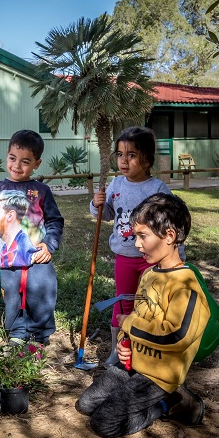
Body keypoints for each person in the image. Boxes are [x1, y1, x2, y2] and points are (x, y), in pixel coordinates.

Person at [76, 192, 210, 437]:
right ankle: (148, 399)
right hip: (135, 364)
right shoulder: (150, 275)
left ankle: (170, 401)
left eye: (142, 236)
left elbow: (176, 336)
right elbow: (143, 314)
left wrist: (130, 324)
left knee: (103, 423)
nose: (136, 244)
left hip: (159, 375)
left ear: (169, 236)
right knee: (85, 405)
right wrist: (127, 346)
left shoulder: (186, 286)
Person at [91, 126, 180, 366]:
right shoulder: (116, 185)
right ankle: (117, 349)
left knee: (150, 303)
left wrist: (177, 254)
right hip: (124, 257)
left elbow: (175, 218)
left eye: (131, 155)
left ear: (148, 159)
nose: (124, 160)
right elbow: (107, 214)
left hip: (151, 259)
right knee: (122, 303)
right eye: (120, 154)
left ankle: (144, 349)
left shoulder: (157, 189)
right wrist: (96, 203)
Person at [0, 130, 64, 345]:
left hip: (36, 259)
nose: (17, 165)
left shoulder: (41, 191)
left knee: (42, 293)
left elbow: (55, 221)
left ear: (37, 163)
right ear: (7, 155)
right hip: (5, 259)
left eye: (25, 161)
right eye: (12, 158)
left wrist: (49, 245)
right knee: (11, 295)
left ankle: (39, 334)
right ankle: (16, 332)